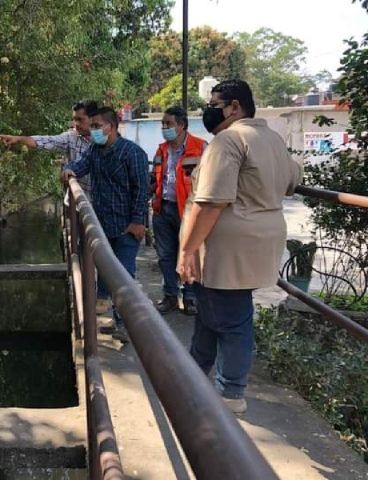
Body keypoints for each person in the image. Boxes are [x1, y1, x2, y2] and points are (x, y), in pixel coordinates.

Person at [177, 80, 302, 414]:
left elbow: (210, 203)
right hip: (263, 238)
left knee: (232, 319)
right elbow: (293, 179)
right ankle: (194, 373)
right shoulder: (272, 139)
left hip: (229, 245)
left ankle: (231, 392)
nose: (209, 111)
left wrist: (188, 250)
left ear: (234, 107)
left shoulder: (229, 140)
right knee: (211, 311)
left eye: (215, 104)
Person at [61, 107, 150, 343]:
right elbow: (81, 165)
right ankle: (114, 318)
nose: (93, 130)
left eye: (97, 125)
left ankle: (127, 326)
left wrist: (137, 222)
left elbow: (143, 191)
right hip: (102, 224)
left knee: (124, 277)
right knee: (106, 272)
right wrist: (70, 170)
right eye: (92, 126)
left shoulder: (133, 154)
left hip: (125, 227)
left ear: (111, 126)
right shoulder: (95, 150)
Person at [151, 106, 208, 315]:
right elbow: (154, 179)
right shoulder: (161, 150)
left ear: (182, 125)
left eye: (168, 123)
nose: (164, 127)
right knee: (165, 256)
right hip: (163, 208)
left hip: (188, 211)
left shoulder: (201, 148)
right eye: (163, 123)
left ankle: (190, 298)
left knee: (189, 253)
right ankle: (170, 296)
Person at [0, 100, 98, 191]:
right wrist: (18, 139)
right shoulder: (71, 137)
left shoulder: (106, 140)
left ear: (93, 119)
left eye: (80, 120)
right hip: (76, 200)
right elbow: (48, 141)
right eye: (75, 120)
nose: (76, 124)